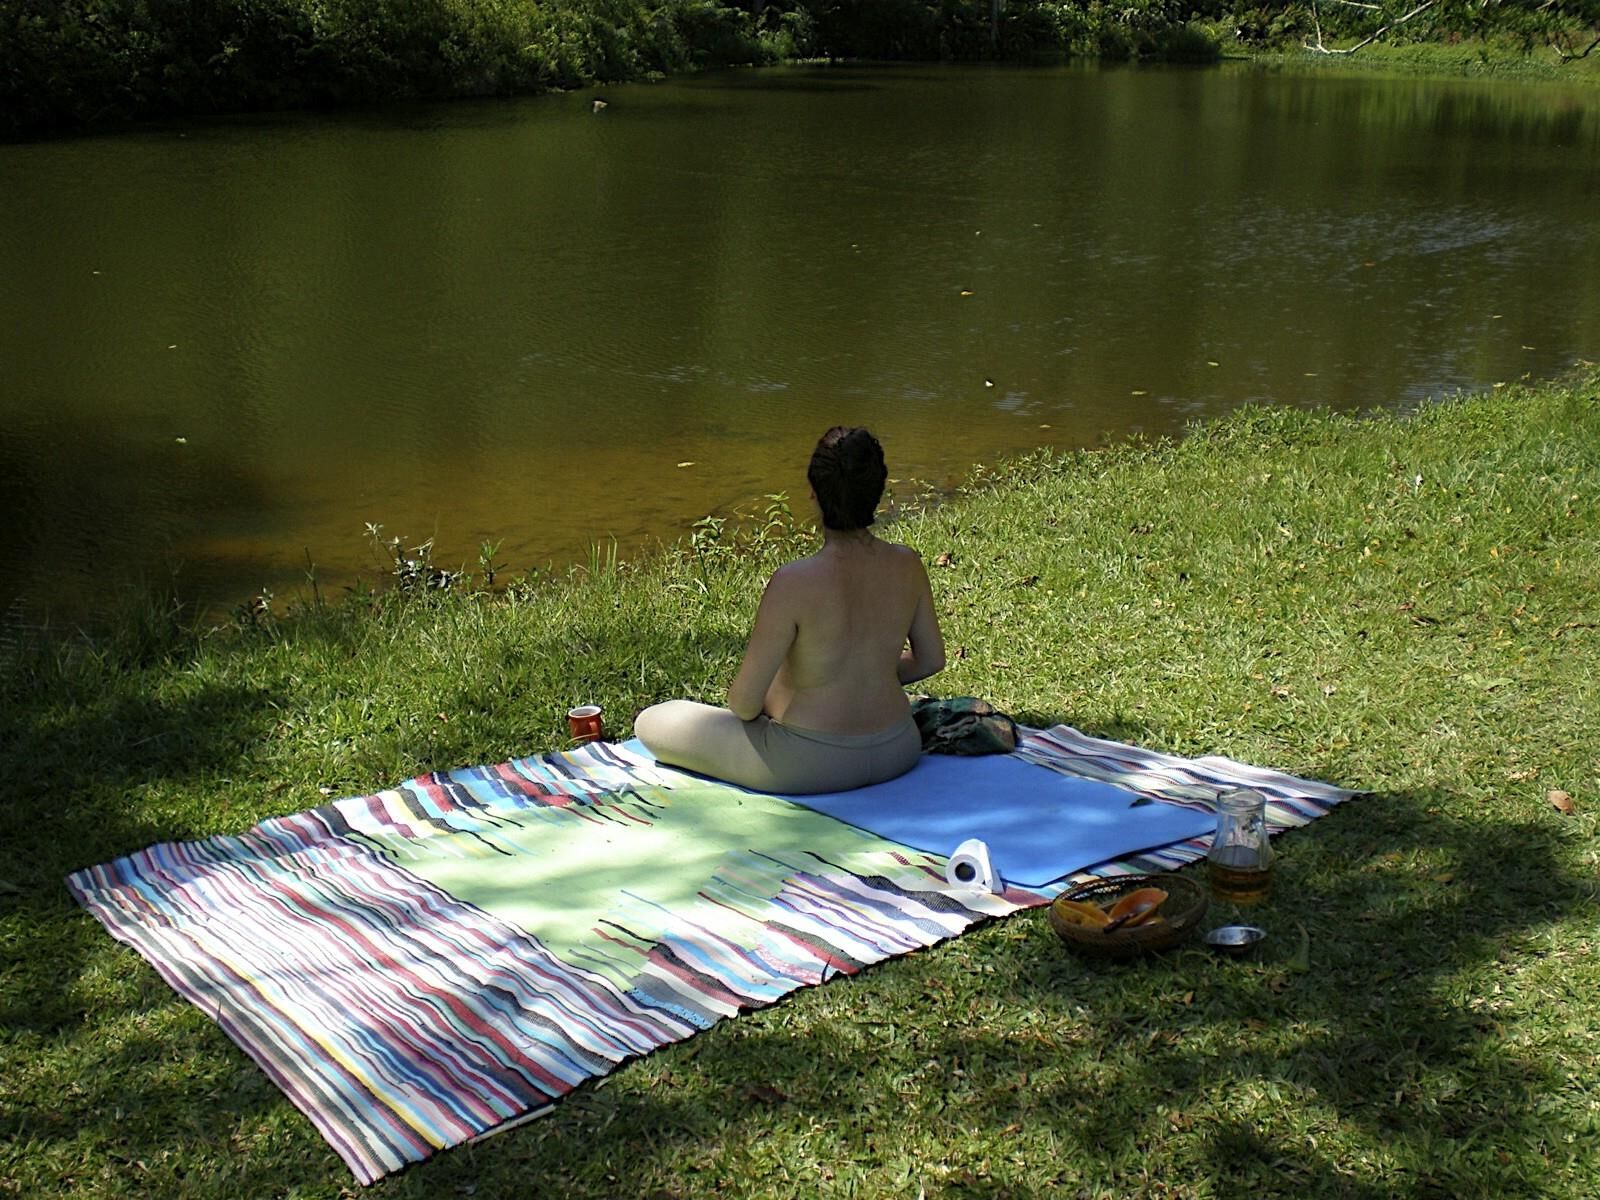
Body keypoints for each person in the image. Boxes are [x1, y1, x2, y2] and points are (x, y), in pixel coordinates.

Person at [634, 426, 946, 794]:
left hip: (808, 764)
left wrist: (803, 687)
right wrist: (865, 673)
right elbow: (930, 661)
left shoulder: (794, 582)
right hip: (898, 747)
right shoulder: (907, 564)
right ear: (878, 491)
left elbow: (745, 705)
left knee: (652, 721)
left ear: (813, 493)